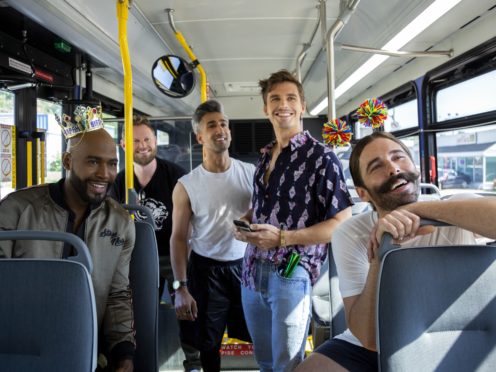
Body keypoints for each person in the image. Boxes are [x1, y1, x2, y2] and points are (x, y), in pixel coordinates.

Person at [295, 131, 496, 372]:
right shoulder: (351, 234)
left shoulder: (457, 209)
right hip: (374, 345)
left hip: (458, 332)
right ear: (363, 193)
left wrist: (418, 211)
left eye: (398, 157)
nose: (393, 169)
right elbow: (367, 336)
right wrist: (380, 256)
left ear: (415, 167)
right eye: (376, 166)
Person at [0, 103, 135, 372]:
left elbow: (117, 294)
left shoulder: (119, 222)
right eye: (93, 161)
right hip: (18, 344)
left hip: (86, 345)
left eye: (112, 164)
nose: (104, 174)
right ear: (67, 161)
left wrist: (123, 352)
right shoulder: (16, 209)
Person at [234, 69, 353, 372]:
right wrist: (247, 220)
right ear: (265, 108)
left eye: (291, 98)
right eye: (275, 98)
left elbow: (341, 222)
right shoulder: (264, 156)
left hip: (290, 272)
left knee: (287, 365)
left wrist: (283, 238)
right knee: (263, 362)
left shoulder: (322, 158)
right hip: (250, 271)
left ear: (302, 106)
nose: (282, 104)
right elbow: (263, 205)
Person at [110, 115, 201, 372]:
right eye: (135, 140)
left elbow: (191, 222)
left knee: (186, 310)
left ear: (156, 142)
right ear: (124, 144)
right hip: (137, 257)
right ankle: (135, 361)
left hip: (172, 255)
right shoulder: (120, 181)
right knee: (134, 312)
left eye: (147, 139)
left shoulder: (176, 176)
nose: (142, 145)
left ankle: (193, 363)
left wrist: (188, 260)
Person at [170, 99, 255, 372]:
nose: (220, 129)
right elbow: (178, 239)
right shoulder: (187, 185)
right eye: (212, 125)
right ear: (199, 136)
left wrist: (249, 218)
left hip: (246, 266)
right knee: (208, 344)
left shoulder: (250, 173)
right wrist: (180, 287)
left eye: (223, 123)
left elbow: (265, 212)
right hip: (206, 271)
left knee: (258, 334)